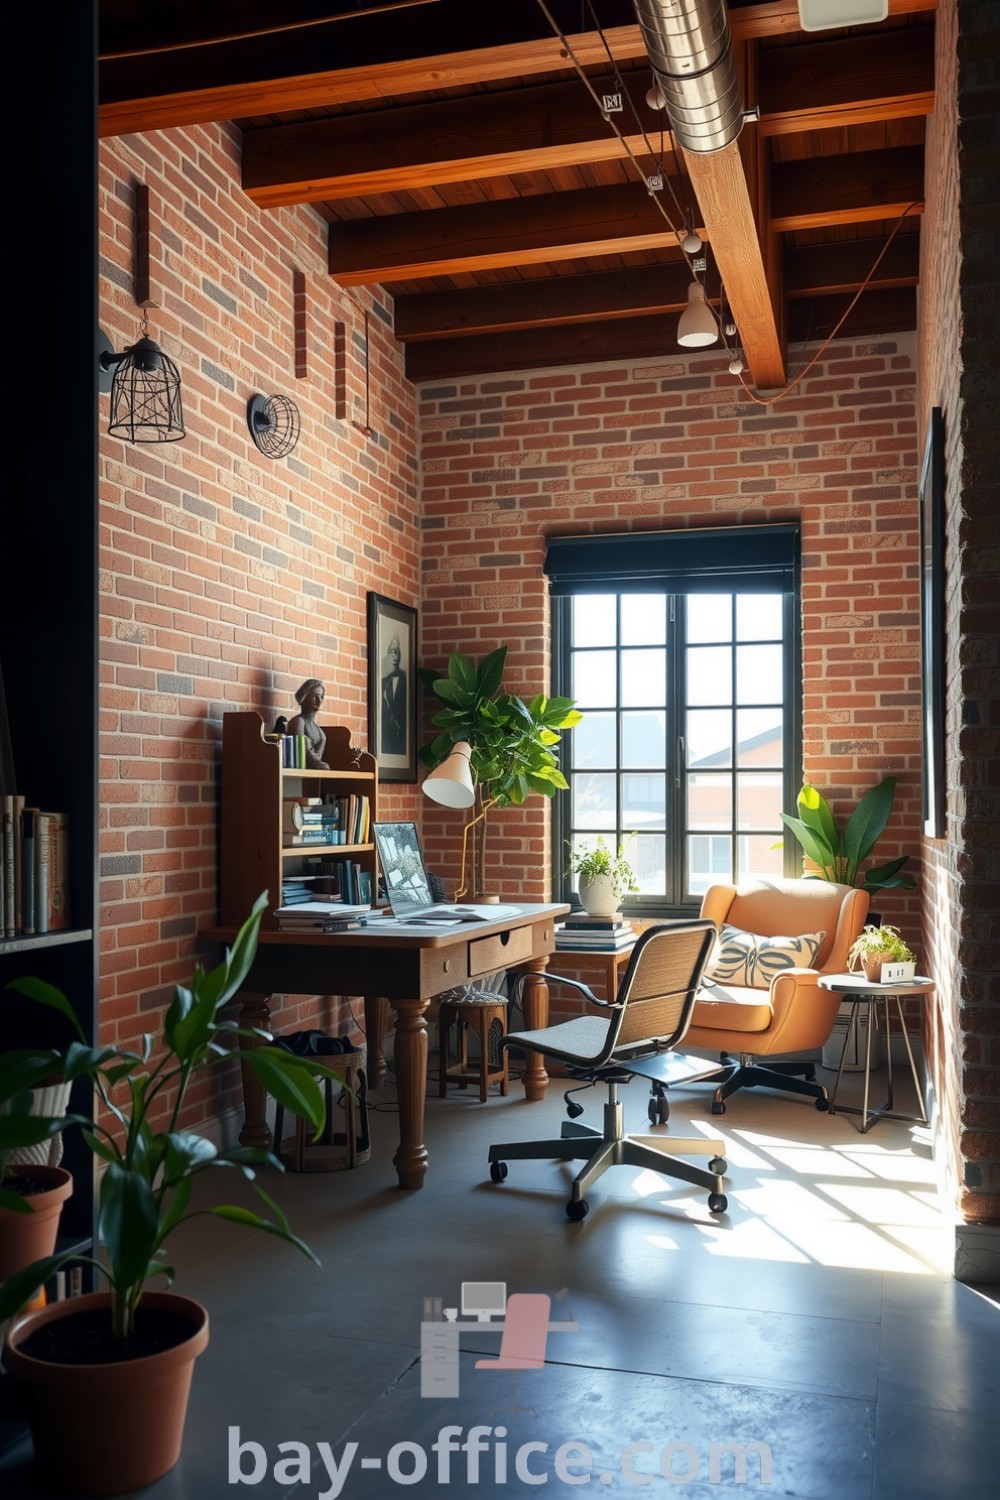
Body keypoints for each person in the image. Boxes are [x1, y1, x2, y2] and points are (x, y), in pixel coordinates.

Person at [287, 678, 328, 768]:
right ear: (304, 697)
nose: (319, 700)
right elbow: (303, 751)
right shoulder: (298, 722)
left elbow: (317, 759)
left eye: (321, 696)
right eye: (314, 696)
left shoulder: (320, 732)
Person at [380, 633, 407, 756]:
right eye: (392, 651)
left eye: (397, 651)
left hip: (401, 738)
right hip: (387, 736)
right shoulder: (384, 682)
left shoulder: (405, 680)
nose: (395, 655)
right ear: (388, 654)